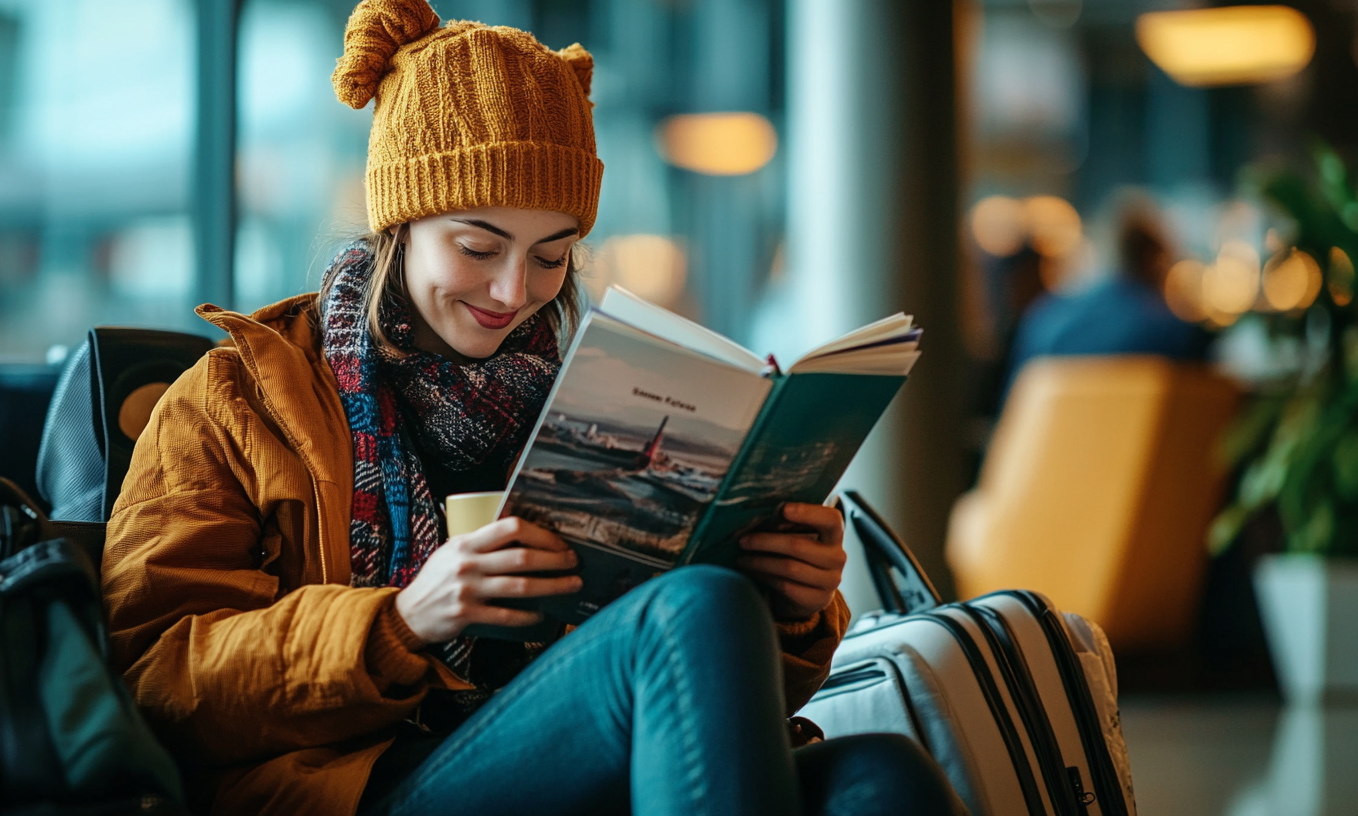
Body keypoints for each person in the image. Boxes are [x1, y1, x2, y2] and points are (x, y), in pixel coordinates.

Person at [101, 3, 962, 815]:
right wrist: (401, 622)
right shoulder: (236, 399)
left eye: (552, 256)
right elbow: (160, 678)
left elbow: (704, 708)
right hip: (366, 779)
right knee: (690, 613)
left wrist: (794, 606)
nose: (515, 291)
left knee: (879, 778)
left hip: (581, 756)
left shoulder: (598, 390)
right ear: (396, 226)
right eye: (479, 246)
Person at [1002, 197, 1210, 396]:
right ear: (1155, 258)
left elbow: (1014, 405)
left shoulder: (1045, 319)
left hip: (1058, 432)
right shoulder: (1172, 331)